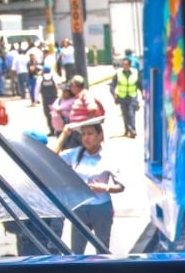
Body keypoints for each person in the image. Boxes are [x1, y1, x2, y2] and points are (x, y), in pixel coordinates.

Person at [57, 119, 125, 253]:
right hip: (79, 208)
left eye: (90, 134)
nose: (86, 138)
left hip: (101, 209)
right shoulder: (76, 153)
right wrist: (64, 134)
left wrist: (104, 188)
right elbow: (51, 156)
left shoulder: (108, 156)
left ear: (100, 136)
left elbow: (121, 186)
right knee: (77, 251)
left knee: (102, 250)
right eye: (83, 134)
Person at [111, 57, 140, 138]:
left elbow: (139, 83)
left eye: (126, 64)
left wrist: (144, 93)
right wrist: (114, 94)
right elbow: (112, 85)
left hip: (132, 96)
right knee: (125, 114)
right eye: (123, 64)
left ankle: (132, 130)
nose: (124, 66)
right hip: (122, 97)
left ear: (129, 65)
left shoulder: (135, 72)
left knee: (131, 113)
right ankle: (127, 130)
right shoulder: (118, 73)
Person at [39, 64, 62, 135]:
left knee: (48, 115)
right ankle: (58, 129)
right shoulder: (55, 77)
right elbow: (61, 85)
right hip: (54, 99)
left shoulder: (40, 78)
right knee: (56, 115)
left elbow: (36, 90)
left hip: (45, 100)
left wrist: (35, 99)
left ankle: (51, 130)